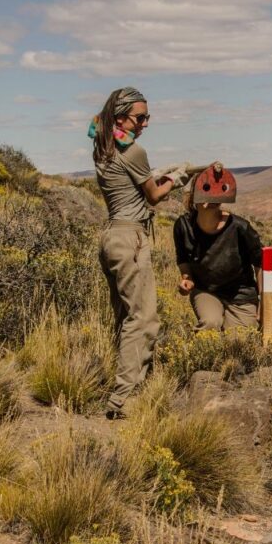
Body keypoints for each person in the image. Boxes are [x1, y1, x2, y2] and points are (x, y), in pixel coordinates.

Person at [91, 87, 188, 419]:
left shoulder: (102, 145)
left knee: (124, 317)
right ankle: (125, 397)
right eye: (141, 117)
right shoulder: (133, 151)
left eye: (147, 116)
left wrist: (160, 173)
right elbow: (153, 196)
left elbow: (133, 183)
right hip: (131, 238)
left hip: (110, 238)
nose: (146, 122)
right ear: (121, 118)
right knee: (144, 318)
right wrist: (176, 179)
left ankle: (123, 385)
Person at [173, 163, 263, 331]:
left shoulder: (240, 228)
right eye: (206, 188)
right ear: (194, 196)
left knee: (237, 342)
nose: (212, 197)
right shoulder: (183, 226)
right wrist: (187, 278)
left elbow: (260, 264)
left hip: (241, 295)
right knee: (210, 324)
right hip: (206, 291)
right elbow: (183, 258)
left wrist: (264, 302)